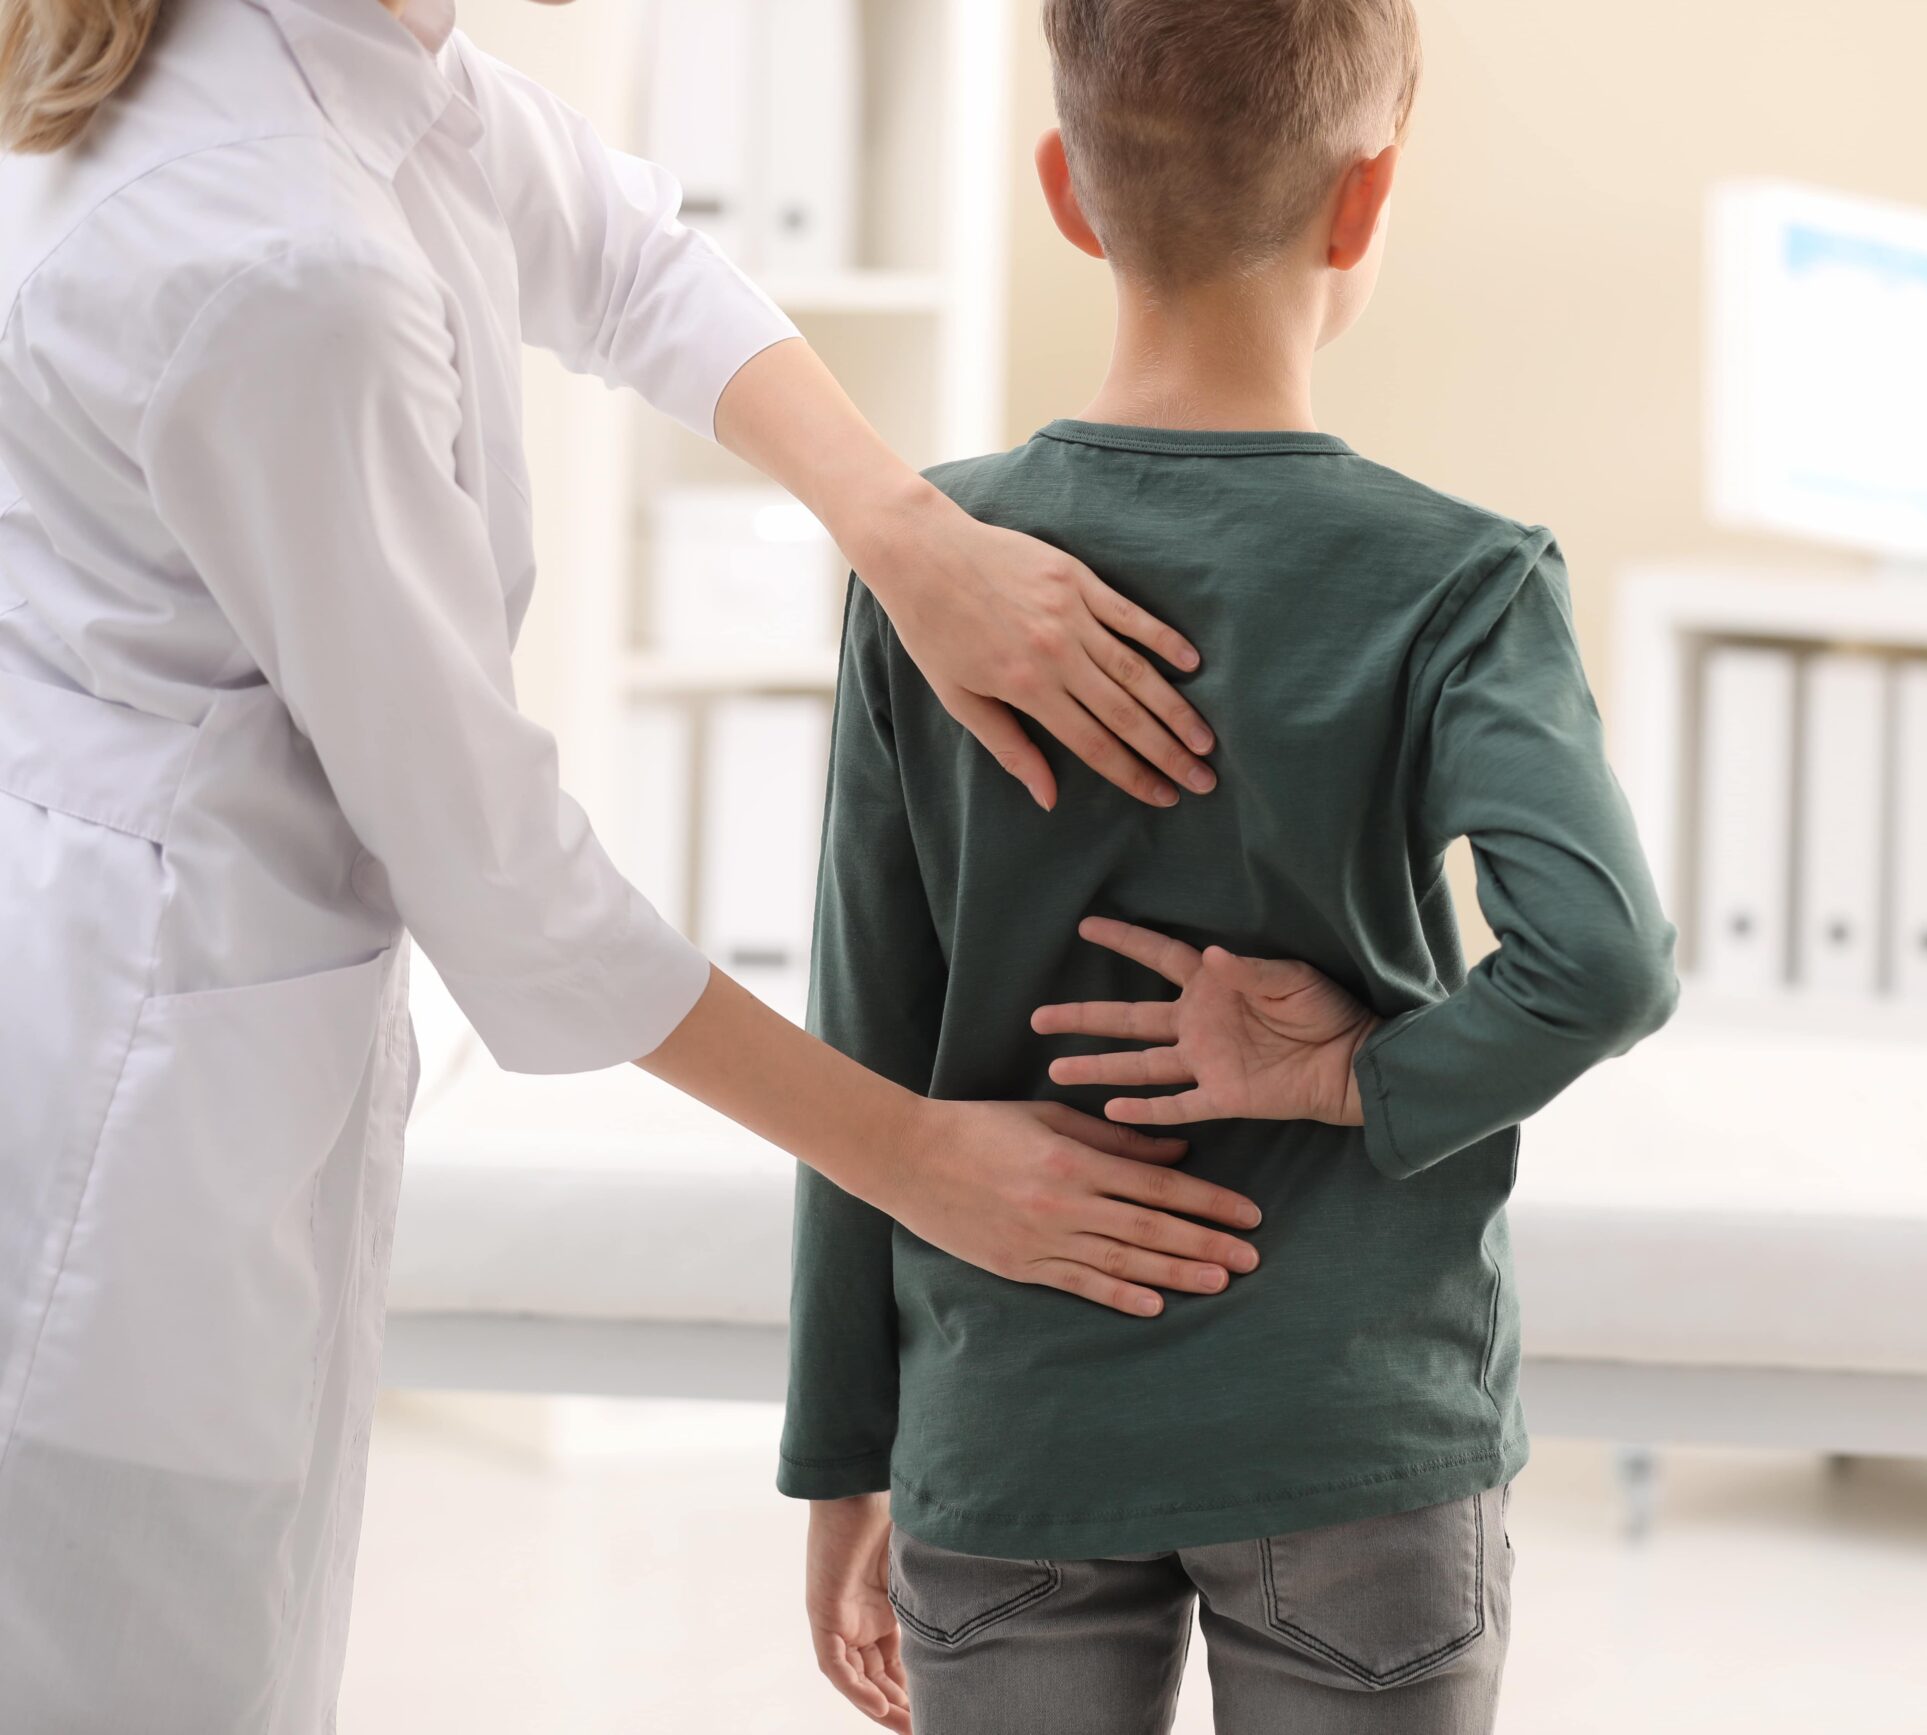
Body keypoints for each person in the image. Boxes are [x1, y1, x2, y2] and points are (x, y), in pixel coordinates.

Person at [0, 0, 1272, 1728]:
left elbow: (615, 252)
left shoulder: (351, 53)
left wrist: (904, 533)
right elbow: (502, 880)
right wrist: (915, 1161)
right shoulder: (287, 262)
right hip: (113, 1111)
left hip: (178, 1002)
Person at [788, 1, 1682, 1728]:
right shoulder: (1461, 579)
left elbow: (864, 1035)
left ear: (1068, 188)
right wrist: (1358, 1071)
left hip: (1011, 1422)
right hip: (1354, 1428)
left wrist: (845, 1457)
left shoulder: (931, 567)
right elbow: (1605, 959)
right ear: (1368, 203)